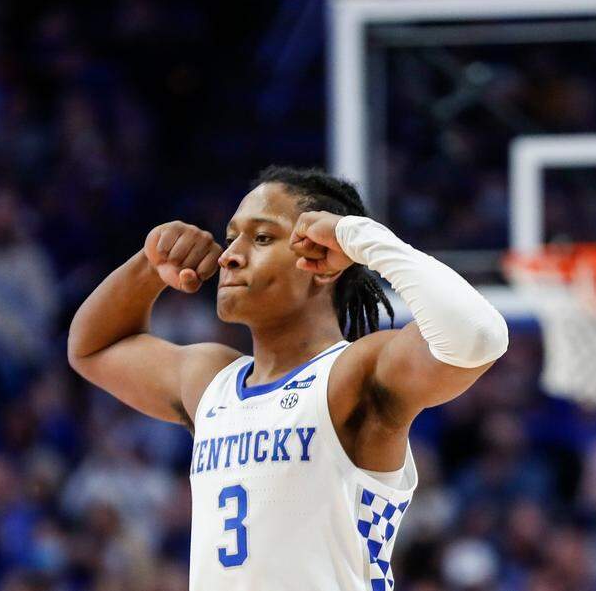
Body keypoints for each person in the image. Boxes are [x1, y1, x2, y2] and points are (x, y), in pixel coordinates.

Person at [67, 166, 508, 590]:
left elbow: (479, 335)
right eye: (230, 238)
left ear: (325, 260)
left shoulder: (352, 374)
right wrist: (148, 266)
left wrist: (362, 240)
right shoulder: (210, 381)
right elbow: (93, 349)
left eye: (261, 237)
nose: (229, 255)